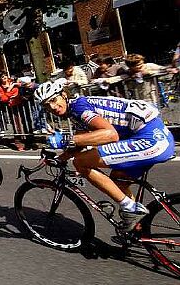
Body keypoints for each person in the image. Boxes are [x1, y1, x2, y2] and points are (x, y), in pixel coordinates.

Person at [35, 79, 175, 231]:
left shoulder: (79, 108)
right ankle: (137, 229)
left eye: (54, 100)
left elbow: (110, 135)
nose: (53, 107)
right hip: (159, 137)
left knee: (80, 162)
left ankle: (131, 209)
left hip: (151, 141)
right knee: (118, 181)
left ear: (63, 94)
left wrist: (64, 139)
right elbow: (80, 142)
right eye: (46, 106)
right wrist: (60, 158)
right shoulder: (78, 106)